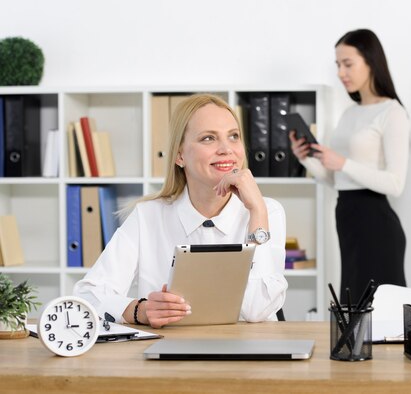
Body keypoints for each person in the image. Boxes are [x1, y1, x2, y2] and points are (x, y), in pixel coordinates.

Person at [75, 93, 288, 328]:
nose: (227, 149)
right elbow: (87, 297)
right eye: (209, 138)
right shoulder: (148, 216)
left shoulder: (267, 211)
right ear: (179, 155)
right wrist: (140, 310)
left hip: (249, 357)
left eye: (233, 136)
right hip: (169, 354)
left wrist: (256, 211)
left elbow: (258, 310)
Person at [290, 28, 410, 303]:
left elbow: (396, 183)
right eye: (337, 65)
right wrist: (306, 157)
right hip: (347, 218)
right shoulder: (350, 113)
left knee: (378, 316)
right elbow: (338, 180)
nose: (341, 72)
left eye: (348, 64)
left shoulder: (393, 113)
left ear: (370, 62)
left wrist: (343, 163)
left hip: (376, 224)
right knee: (352, 311)